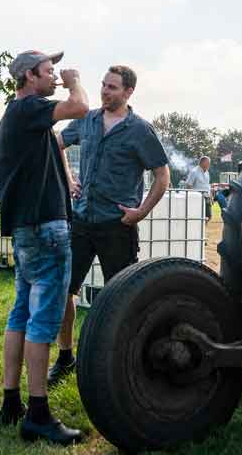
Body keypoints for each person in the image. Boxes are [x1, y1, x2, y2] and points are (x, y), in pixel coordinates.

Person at [47, 64, 170, 385]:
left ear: (129, 92)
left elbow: (162, 175)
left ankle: (127, 360)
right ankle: (65, 356)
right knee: (64, 291)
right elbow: (56, 143)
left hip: (118, 226)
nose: (104, 91)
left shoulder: (139, 130)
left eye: (112, 87)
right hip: (82, 221)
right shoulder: (87, 121)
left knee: (125, 298)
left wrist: (141, 212)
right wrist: (69, 178)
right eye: (103, 85)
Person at [0, 49, 88, 445]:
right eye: (48, 71)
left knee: (20, 313)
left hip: (27, 228)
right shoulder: (28, 108)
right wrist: (74, 79)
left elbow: (55, 148)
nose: (54, 77)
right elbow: (80, 107)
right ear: (29, 76)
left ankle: (11, 402)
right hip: (45, 229)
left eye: (56, 71)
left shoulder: (16, 116)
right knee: (42, 321)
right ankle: (38, 413)